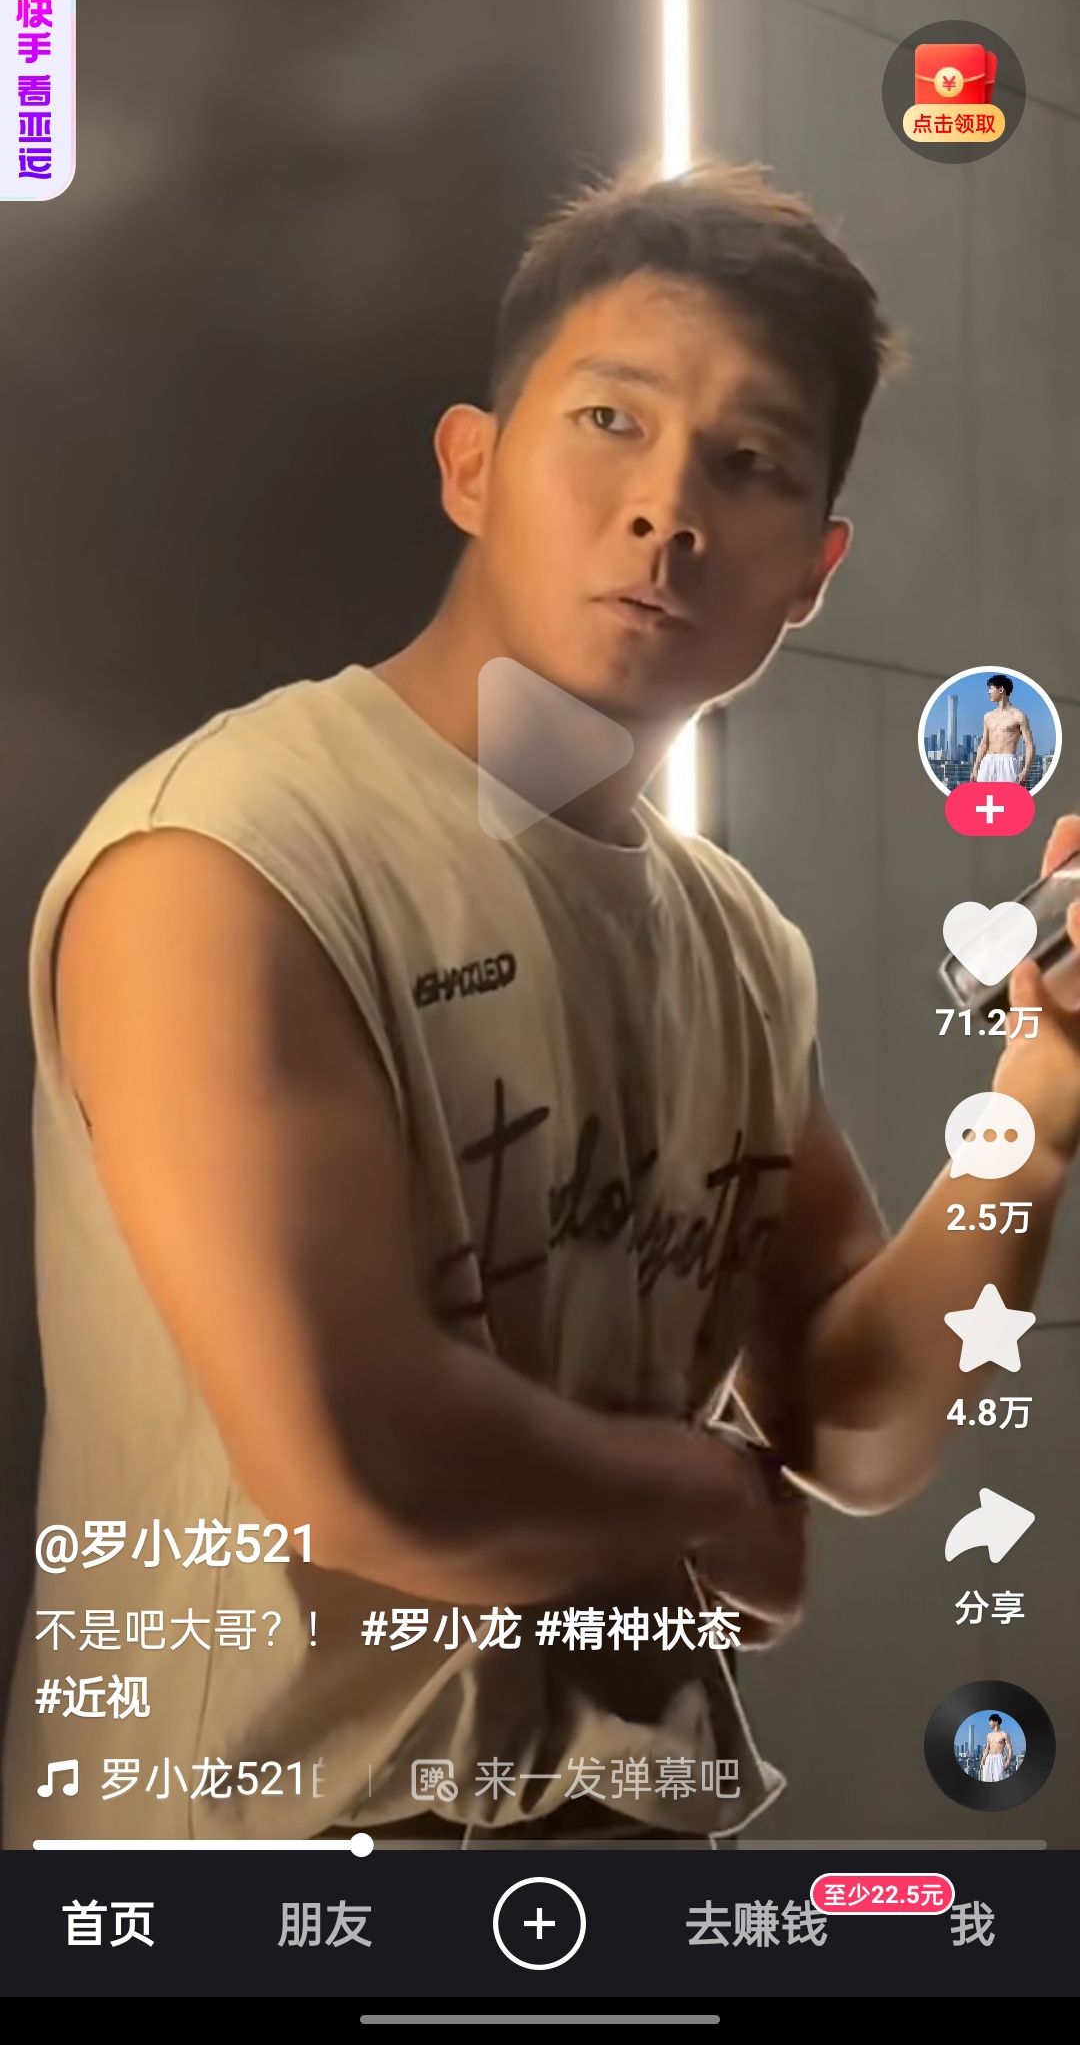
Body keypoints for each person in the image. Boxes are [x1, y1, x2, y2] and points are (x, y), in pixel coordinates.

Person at [7, 162, 1080, 1852]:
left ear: (813, 570)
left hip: (623, 1870)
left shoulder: (739, 942)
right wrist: (713, 1501)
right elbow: (361, 1465)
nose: (669, 510)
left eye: (750, 463)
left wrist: (1046, 1089)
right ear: (472, 464)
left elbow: (855, 1425)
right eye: (609, 422)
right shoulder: (228, 858)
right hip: (258, 1877)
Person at [971, 674, 1035, 786]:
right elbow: (984, 744)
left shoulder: (1019, 716)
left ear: (1001, 689)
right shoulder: (988, 716)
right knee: (983, 795)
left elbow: (1029, 745)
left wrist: (1026, 770)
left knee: (1008, 796)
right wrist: (975, 768)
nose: (988, 692)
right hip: (988, 762)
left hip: (1008, 763)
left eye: (991, 688)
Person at [979, 1714, 1014, 1782]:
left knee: (999, 1778)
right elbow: (987, 1748)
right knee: (986, 1779)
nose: (989, 1723)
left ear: (996, 1721)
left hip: (999, 1759)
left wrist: (1008, 1761)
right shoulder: (989, 1735)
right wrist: (982, 1760)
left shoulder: (1004, 1734)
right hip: (988, 1758)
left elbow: (1010, 1748)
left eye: (990, 1721)